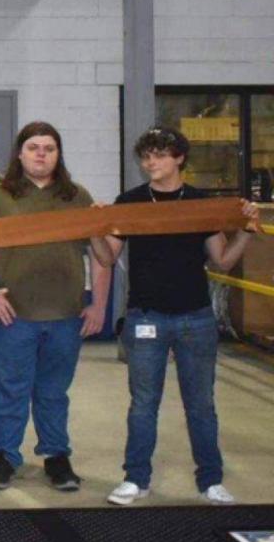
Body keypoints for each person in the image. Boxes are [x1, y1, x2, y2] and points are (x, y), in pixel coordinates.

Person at [92, 127, 261, 506]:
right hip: (145, 317)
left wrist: (248, 232)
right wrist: (94, 229)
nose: (151, 162)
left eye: (160, 154)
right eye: (146, 155)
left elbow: (222, 259)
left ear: (179, 158)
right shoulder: (131, 202)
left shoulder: (200, 204)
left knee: (201, 404)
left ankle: (210, 480)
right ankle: (136, 479)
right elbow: (106, 257)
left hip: (196, 319)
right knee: (143, 404)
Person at [0, 121, 111, 492]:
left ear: (58, 155)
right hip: (13, 315)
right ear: (21, 154)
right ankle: (4, 458)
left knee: (53, 392)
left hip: (65, 315)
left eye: (49, 148)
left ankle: (57, 458)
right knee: (9, 390)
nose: (41, 154)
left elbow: (103, 256)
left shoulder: (76, 196)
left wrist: (99, 306)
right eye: (34, 147)